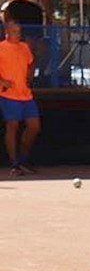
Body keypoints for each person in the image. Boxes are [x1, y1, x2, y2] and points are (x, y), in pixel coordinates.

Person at [0, 16, 40, 175]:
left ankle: (23, 159)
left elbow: (31, 63)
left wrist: (30, 77)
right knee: (13, 125)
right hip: (9, 95)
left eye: (19, 32)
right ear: (7, 32)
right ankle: (14, 164)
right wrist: (2, 81)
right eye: (14, 32)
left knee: (34, 126)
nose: (18, 34)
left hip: (25, 94)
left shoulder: (24, 47)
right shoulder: (1, 48)